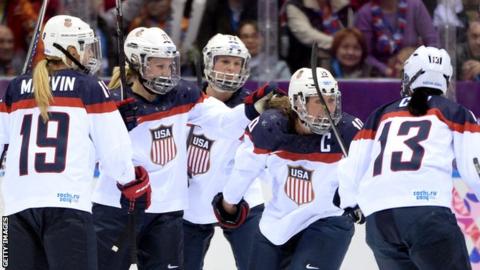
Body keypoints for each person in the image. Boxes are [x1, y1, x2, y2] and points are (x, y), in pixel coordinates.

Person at [91, 27, 273, 270]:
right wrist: (109, 125)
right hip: (117, 208)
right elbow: (87, 153)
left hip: (167, 211)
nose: (167, 73)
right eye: (159, 66)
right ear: (137, 63)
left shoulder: (183, 94)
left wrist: (253, 108)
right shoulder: (111, 101)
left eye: (170, 65)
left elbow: (224, 123)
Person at [0, 15, 150, 270]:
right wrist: (131, 181)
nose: (90, 55)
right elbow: (116, 154)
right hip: (68, 208)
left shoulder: (15, 89)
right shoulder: (89, 88)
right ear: (70, 50)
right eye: (85, 46)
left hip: (16, 209)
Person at [337, 45, 478, 270]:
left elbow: (351, 167)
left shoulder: (380, 114)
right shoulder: (456, 113)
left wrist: (350, 203)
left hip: (380, 224)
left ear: (410, 76)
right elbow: (475, 167)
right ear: (445, 80)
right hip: (427, 216)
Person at [215, 67, 364, 269]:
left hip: (327, 220)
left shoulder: (348, 131)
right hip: (276, 225)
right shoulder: (270, 127)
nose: (328, 108)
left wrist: (358, 200)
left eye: (331, 100)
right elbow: (245, 169)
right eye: (319, 101)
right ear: (297, 101)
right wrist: (229, 203)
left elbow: (369, 171)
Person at [183, 33, 265, 270]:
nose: (231, 69)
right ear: (209, 62)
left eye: (237, 63)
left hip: (243, 200)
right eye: (225, 61)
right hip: (192, 203)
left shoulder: (255, 108)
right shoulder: (184, 100)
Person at [354, 0, 439, 77]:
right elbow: (365, 55)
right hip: (379, 77)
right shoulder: (365, 13)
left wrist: (419, 61)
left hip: (416, 73)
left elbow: (433, 43)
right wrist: (386, 70)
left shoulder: (415, 5)